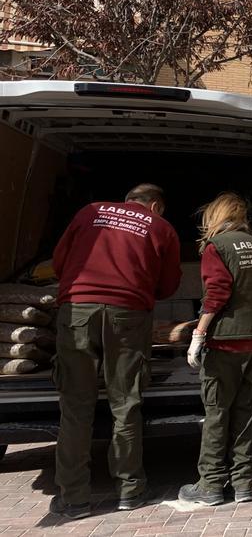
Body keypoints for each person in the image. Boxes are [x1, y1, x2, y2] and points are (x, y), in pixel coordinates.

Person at [50, 183, 182, 519]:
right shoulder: (160, 227)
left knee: (75, 407)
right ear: (155, 206)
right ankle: (130, 491)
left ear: (128, 201)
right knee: (125, 404)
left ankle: (74, 499)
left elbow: (59, 261)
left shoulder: (89, 212)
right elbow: (167, 286)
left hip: (77, 310)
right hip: (128, 314)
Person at [177, 193, 252, 506]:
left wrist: (199, 333)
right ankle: (243, 484)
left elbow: (216, 292)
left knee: (217, 414)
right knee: (245, 415)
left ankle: (211, 486)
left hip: (225, 341)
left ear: (215, 217)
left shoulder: (217, 246)